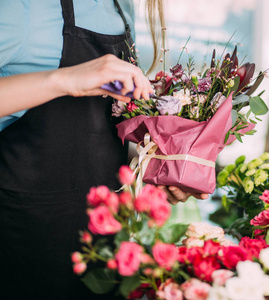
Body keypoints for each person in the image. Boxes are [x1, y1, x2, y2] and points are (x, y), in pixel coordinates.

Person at [0, 1, 207, 299]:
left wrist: (155, 166)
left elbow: (98, 126)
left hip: (104, 243)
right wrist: (63, 80)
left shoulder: (121, 7)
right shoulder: (21, 7)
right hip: (25, 238)